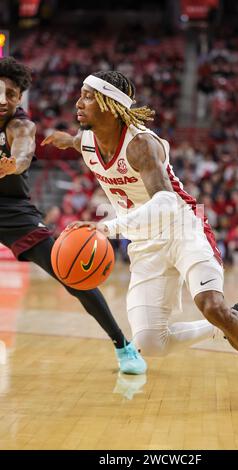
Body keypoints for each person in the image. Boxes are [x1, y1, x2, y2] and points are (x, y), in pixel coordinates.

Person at [43, 70, 238, 412]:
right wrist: (64, 139)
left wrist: (106, 228)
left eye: (88, 96)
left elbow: (163, 202)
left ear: (111, 106)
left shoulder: (142, 144)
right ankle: (231, 323)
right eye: (81, 94)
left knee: (210, 304)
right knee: (151, 341)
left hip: (181, 226)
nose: (79, 101)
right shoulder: (87, 140)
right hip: (146, 243)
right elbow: (79, 142)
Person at [0, 57, 146, 376]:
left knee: (69, 272)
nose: (5, 100)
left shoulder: (20, 125)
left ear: (20, 98)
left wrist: (15, 163)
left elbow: (24, 150)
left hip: (9, 209)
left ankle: (123, 345)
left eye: (12, 94)